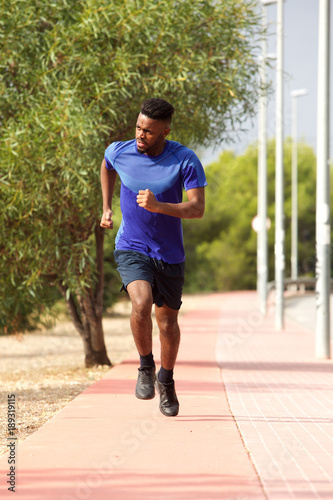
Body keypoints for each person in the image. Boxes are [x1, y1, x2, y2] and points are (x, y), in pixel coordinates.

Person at [100, 98, 207, 417]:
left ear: (165, 132)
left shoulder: (184, 159)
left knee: (168, 322)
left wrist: (160, 206)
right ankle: (145, 366)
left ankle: (167, 380)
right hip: (131, 245)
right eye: (138, 127)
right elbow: (106, 166)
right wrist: (106, 206)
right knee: (141, 303)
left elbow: (197, 208)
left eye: (148, 131)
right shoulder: (119, 151)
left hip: (170, 254)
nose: (140, 135)